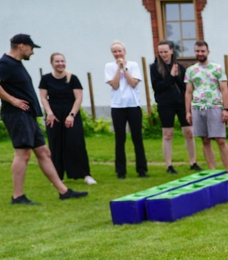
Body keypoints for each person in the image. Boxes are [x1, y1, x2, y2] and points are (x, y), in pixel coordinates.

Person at [0, 34, 86, 204]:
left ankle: (64, 191)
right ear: (22, 46)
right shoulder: (6, 64)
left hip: (28, 115)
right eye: (31, 48)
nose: (32, 52)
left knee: (44, 152)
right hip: (17, 115)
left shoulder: (16, 64)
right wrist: (12, 100)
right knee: (23, 154)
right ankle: (18, 196)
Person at [37, 52, 95, 185]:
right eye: (57, 61)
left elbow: (78, 98)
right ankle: (58, 176)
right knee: (55, 145)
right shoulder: (46, 79)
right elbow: (43, 98)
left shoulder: (72, 78)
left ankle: (85, 174)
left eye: (62, 61)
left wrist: (71, 115)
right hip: (53, 116)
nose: (60, 64)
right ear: (51, 63)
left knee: (76, 144)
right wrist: (49, 113)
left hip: (71, 114)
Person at [185, 40, 228, 172]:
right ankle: (212, 170)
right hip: (198, 108)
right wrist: (188, 111)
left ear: (208, 52)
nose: (200, 53)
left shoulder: (217, 68)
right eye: (197, 51)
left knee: (220, 140)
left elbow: (224, 89)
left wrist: (226, 109)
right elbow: (188, 92)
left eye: (202, 51)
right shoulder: (190, 70)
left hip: (215, 107)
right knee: (205, 140)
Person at [151, 40, 197, 173]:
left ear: (171, 51)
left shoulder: (180, 67)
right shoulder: (154, 68)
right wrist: (171, 76)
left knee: (189, 132)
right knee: (168, 134)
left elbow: (185, 86)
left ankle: (193, 162)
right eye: (160, 52)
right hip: (165, 104)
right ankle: (169, 165)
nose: (163, 54)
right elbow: (157, 87)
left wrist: (176, 77)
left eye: (165, 52)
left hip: (181, 103)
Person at [105, 41, 148, 179]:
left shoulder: (133, 65)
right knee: (120, 138)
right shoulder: (109, 66)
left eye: (120, 51)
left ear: (125, 51)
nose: (118, 54)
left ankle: (141, 169)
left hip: (133, 105)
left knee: (137, 137)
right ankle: (121, 171)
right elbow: (115, 85)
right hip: (118, 106)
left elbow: (133, 83)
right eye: (115, 52)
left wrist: (125, 68)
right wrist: (118, 69)